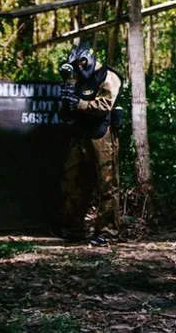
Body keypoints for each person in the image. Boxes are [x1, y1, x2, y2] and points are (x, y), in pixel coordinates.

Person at [58, 42, 123, 247]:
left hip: (101, 135)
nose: (78, 68)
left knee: (107, 184)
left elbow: (104, 105)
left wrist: (79, 104)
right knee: (73, 181)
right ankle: (74, 228)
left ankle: (107, 232)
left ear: (88, 58)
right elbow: (66, 111)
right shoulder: (75, 79)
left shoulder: (108, 76)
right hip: (80, 135)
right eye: (75, 65)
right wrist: (67, 103)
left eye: (81, 63)